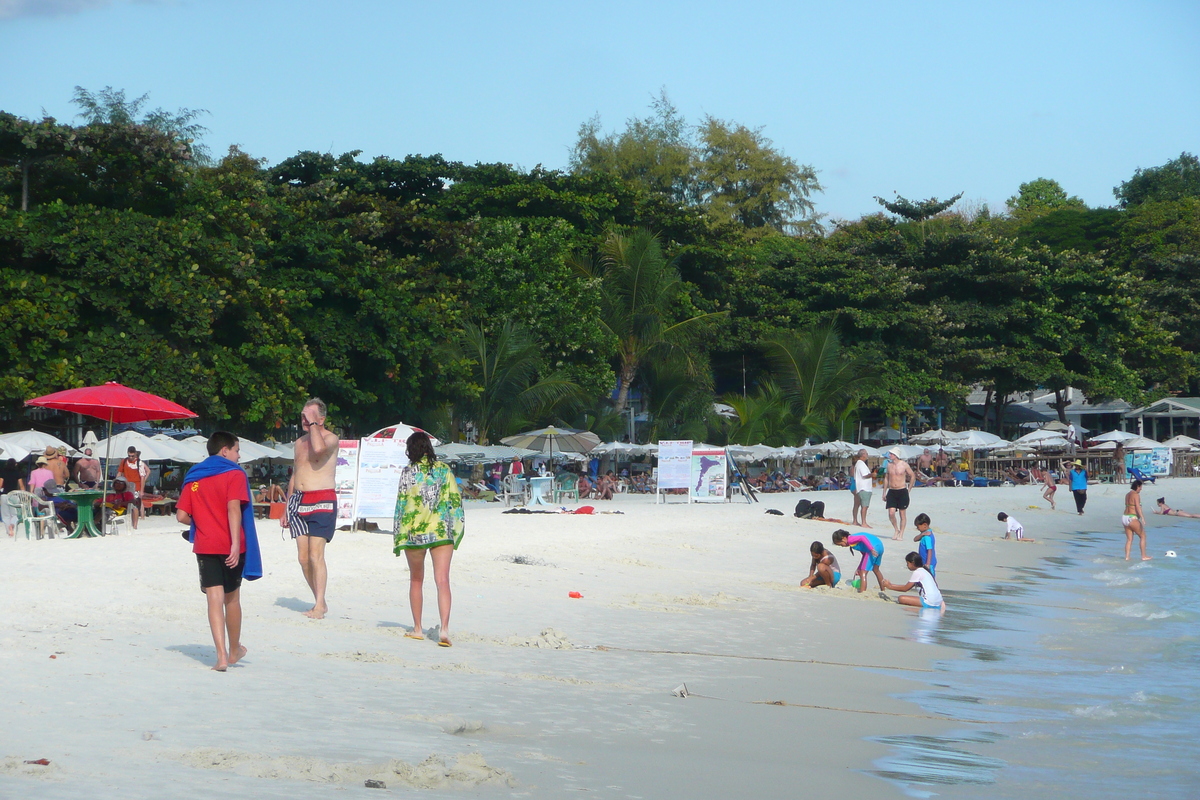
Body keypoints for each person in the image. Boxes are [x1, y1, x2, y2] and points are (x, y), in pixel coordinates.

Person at [176, 431, 263, 672]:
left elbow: (181, 516)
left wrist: (201, 523)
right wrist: (235, 544)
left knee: (214, 600)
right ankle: (235, 649)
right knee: (232, 599)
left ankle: (222, 657)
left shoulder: (194, 477)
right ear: (224, 450)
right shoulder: (233, 474)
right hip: (231, 545)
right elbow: (234, 509)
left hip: (205, 545)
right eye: (236, 451)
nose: (238, 456)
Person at [394, 430, 464, 647]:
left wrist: (398, 536)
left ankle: (417, 629)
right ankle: (444, 630)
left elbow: (401, 505)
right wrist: (457, 529)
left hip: (414, 533)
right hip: (441, 531)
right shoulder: (444, 470)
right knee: (442, 581)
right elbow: (455, 500)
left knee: (416, 580)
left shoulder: (407, 473)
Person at [284, 398, 339, 620]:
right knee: (303, 558)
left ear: (321, 419)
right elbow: (296, 473)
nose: (304, 420)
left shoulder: (331, 438)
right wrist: (288, 504)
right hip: (299, 499)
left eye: (309, 416)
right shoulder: (298, 442)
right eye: (303, 416)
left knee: (316, 555)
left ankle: (318, 605)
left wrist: (314, 425)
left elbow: (318, 450)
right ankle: (320, 600)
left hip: (322, 499)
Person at [832, 529, 886, 594]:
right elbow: (864, 556)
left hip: (873, 549)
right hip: (880, 547)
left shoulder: (850, 539)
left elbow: (862, 537)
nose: (842, 546)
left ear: (843, 538)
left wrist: (871, 549)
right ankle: (883, 590)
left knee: (863, 572)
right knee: (876, 570)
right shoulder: (854, 541)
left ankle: (862, 592)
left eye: (841, 544)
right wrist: (858, 568)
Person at [884, 451, 915, 540]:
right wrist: (884, 492)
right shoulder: (889, 465)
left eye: (891, 454)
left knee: (902, 514)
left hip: (902, 490)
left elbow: (912, 475)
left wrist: (909, 488)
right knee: (891, 513)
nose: (890, 455)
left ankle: (901, 533)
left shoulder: (904, 464)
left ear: (896, 455)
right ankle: (896, 529)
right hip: (892, 490)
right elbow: (886, 478)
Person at [118, 447, 148, 530]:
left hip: (136, 487)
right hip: (126, 486)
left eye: (132, 456)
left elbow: (142, 477)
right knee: (129, 505)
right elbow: (119, 473)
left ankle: (135, 525)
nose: (131, 457)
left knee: (135, 506)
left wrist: (141, 490)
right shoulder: (124, 461)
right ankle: (132, 523)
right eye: (129, 456)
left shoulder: (140, 463)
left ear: (135, 454)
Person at [1122, 480, 1150, 561]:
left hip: (1125, 517)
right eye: (1140, 487)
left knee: (1129, 539)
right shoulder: (1136, 495)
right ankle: (1144, 556)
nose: (1141, 489)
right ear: (1137, 486)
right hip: (1132, 517)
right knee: (1143, 536)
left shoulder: (1127, 494)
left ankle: (1127, 557)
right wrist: (1142, 518)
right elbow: (1138, 507)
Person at [0, 457, 24, 536]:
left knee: (5, 514)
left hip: (4, 495)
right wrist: (23, 495)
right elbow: (21, 486)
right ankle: (13, 524)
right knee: (14, 514)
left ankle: (9, 529)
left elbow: (0, 485)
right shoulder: (17, 472)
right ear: (15, 464)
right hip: (14, 494)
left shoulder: (3, 472)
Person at [852, 450, 873, 528]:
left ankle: (856, 521)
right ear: (863, 455)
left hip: (860, 487)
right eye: (866, 454)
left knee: (858, 504)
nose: (867, 455)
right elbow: (865, 475)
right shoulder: (861, 464)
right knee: (865, 506)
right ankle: (864, 522)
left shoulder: (858, 464)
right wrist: (873, 474)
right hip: (864, 488)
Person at [913, 512, 936, 577]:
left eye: (918, 527)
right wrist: (922, 534)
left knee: (931, 577)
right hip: (923, 561)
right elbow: (915, 539)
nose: (917, 528)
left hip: (928, 562)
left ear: (925, 525)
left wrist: (928, 564)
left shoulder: (927, 537)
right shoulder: (925, 534)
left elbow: (930, 550)